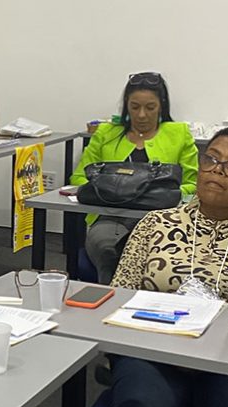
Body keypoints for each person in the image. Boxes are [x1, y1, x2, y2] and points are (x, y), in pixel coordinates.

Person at [88, 128, 228, 407]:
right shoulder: (156, 223)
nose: (217, 170)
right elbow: (119, 296)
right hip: (153, 351)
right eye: (212, 159)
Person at [70, 72, 199, 284]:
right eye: (135, 107)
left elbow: (193, 185)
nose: (141, 115)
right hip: (109, 217)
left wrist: (165, 195)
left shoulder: (179, 134)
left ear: (162, 106)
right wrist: (114, 192)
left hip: (162, 220)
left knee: (156, 254)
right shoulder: (106, 133)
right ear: (126, 106)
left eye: (150, 107)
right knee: (108, 249)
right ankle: (114, 296)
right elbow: (78, 178)